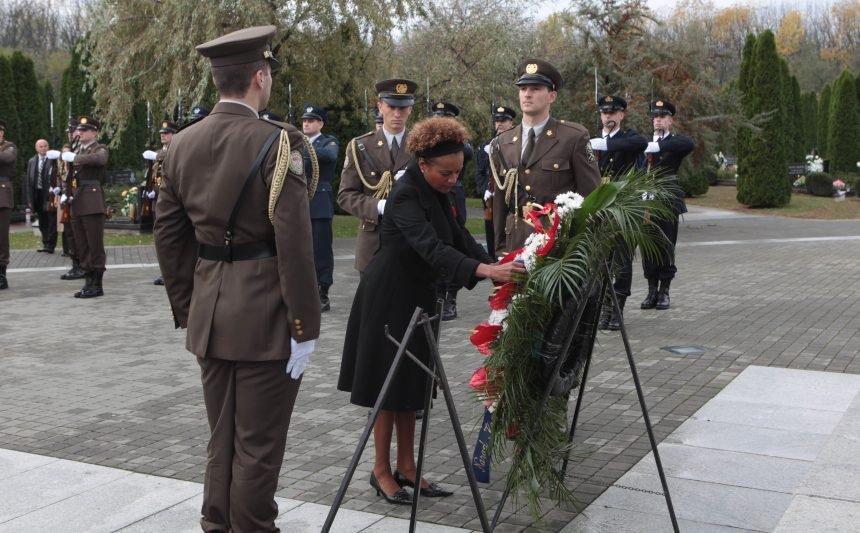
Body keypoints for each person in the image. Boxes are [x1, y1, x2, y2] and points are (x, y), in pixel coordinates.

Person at [154, 25, 320, 532]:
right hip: (266, 316)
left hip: (210, 312)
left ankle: (217, 524)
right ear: (259, 77)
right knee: (258, 444)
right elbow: (293, 244)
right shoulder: (277, 143)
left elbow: (168, 238)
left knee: (221, 437)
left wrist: (190, 305)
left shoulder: (179, 146)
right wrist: (303, 326)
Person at [338, 116, 525, 505]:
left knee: (412, 387)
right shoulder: (406, 194)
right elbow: (430, 247)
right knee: (387, 390)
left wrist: (494, 266)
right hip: (388, 297)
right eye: (446, 173)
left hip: (419, 299)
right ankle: (381, 471)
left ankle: (408, 468)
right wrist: (486, 270)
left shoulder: (437, 190)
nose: (453, 179)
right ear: (423, 165)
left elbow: (458, 238)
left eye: (458, 172)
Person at [489, 59, 600, 256]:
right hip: (516, 243)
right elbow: (499, 203)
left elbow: (591, 196)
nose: (527, 94)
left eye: (536, 88)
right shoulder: (502, 143)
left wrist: (586, 249)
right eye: (523, 89)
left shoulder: (573, 137)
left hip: (559, 246)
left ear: (552, 96)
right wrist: (499, 250)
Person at [337, 78, 416, 273]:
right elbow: (345, 195)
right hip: (373, 243)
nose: (397, 113)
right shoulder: (361, 146)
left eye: (403, 108)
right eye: (391, 107)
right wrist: (378, 206)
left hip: (413, 243)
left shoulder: (422, 146)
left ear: (410, 109)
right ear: (380, 106)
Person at [588, 95, 647, 330]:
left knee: (621, 260)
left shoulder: (628, 138)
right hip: (597, 207)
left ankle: (617, 310)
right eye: (604, 113)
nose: (608, 117)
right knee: (599, 261)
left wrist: (607, 145)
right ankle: (602, 308)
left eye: (613, 113)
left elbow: (640, 143)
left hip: (621, 207)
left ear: (621, 115)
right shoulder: (593, 140)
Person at [640, 99, 694, 310]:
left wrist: (658, 145)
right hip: (645, 201)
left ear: (670, 120)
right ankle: (651, 289)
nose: (658, 120)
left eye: (662, 117)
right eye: (655, 117)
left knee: (666, 244)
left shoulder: (675, 142)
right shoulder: (644, 141)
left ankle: (665, 290)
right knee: (647, 247)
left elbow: (689, 145)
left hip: (666, 200)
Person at [430, 101, 474, 320]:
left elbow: (467, 152)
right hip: (435, 194)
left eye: (445, 118)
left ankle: (452, 297)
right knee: (436, 244)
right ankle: (438, 294)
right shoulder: (429, 142)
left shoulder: (461, 142)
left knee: (456, 242)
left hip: (454, 195)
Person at [62, 115, 109, 298]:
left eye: (84, 130)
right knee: (82, 243)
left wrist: (76, 157)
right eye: (79, 130)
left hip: (91, 199)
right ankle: (88, 280)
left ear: (94, 132)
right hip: (77, 199)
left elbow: (99, 159)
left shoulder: (99, 148)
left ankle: (97, 283)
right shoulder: (77, 148)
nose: (80, 133)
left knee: (94, 243)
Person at [302, 104, 339, 312]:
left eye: (311, 120)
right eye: (304, 120)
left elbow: (330, 157)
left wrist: (302, 147)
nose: (306, 123)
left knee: (321, 250)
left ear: (320, 124)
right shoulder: (296, 142)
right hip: (298, 202)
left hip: (319, 202)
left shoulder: (329, 142)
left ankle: (323, 290)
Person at [475, 106, 516, 260]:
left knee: (510, 230)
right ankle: (493, 264)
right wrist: (484, 189)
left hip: (510, 196)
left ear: (511, 122)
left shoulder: (516, 143)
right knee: (492, 232)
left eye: (503, 120)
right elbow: (479, 172)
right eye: (497, 121)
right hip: (491, 197)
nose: (499, 124)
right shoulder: (486, 145)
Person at [142, 120, 177, 285]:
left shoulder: (174, 150)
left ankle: (173, 271)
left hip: (171, 202)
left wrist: (156, 156)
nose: (163, 135)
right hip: (158, 201)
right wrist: (150, 189)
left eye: (167, 132)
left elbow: (169, 156)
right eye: (162, 133)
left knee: (172, 238)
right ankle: (165, 271)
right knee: (161, 239)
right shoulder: (157, 153)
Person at [27, 139, 60, 254]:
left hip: (49, 194)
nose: (43, 148)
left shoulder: (53, 160)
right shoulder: (32, 161)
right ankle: (45, 242)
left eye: (45, 146)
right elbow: (29, 182)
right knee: (42, 221)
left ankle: (51, 245)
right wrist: (30, 199)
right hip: (37, 194)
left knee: (51, 220)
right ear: (36, 148)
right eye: (41, 146)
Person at [0, 119, 17, 290]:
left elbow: (7, 158)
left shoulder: (9, 146)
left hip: (2, 195)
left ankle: (1, 274)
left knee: (1, 237)